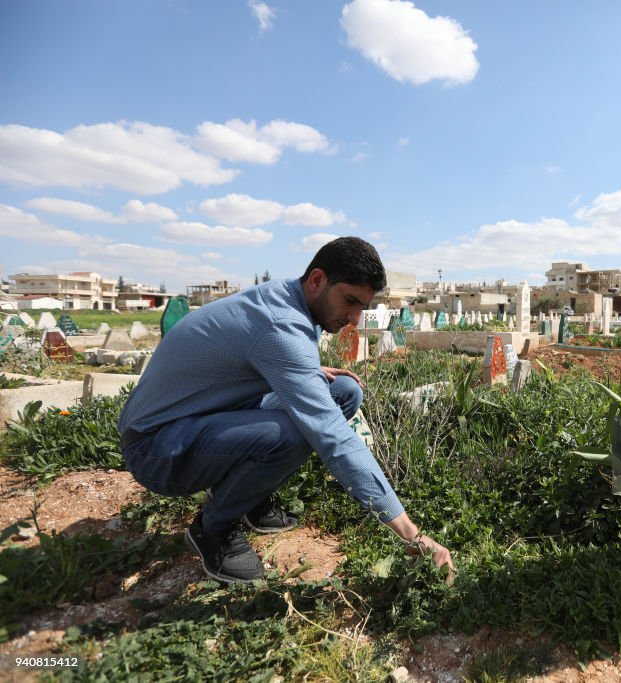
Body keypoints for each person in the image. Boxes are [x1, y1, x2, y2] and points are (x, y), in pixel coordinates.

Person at [118, 237, 454, 583]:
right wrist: (410, 533)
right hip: (155, 446)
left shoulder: (286, 295)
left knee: (343, 391)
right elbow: (334, 438)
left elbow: (251, 349)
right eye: (350, 301)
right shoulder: (281, 325)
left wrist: (310, 372)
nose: (354, 318)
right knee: (296, 433)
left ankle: (248, 496)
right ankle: (213, 529)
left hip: (202, 414)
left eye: (362, 307)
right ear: (317, 280)